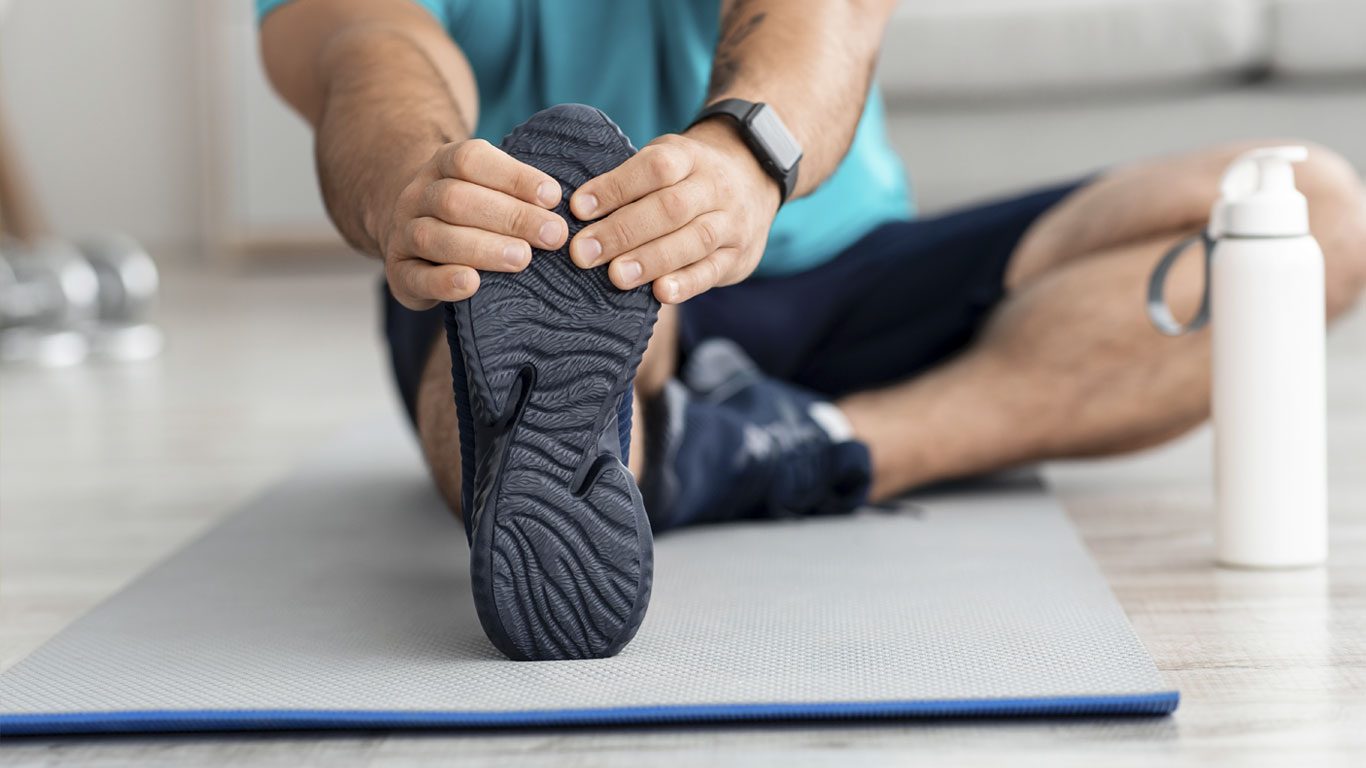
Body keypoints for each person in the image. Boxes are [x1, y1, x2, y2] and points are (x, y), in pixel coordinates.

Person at [259, 0, 1366, 660]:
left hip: (827, 252)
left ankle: (769, 447)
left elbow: (821, 14)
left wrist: (743, 158)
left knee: (1306, 211)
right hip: (520, 242)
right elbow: (369, 46)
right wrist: (416, 187)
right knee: (505, 376)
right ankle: (621, 400)